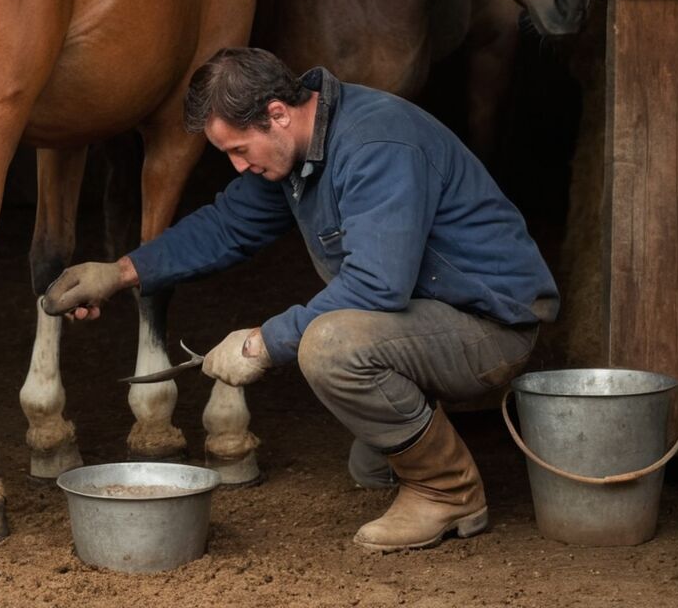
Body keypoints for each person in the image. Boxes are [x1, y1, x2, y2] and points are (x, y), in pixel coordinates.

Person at [43, 47, 558, 553]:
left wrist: (261, 343)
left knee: (330, 347)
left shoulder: (376, 144)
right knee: (370, 467)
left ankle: (448, 491)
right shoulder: (301, 150)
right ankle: (431, 430)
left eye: (238, 149)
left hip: (491, 325)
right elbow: (226, 226)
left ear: (277, 114)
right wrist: (120, 272)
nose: (238, 166)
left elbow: (378, 286)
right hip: (430, 315)